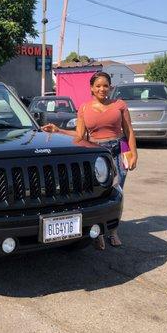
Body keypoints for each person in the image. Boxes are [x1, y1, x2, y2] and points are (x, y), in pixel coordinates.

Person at [42, 71, 137, 249]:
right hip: (96, 155)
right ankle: (98, 232)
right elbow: (79, 135)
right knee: (98, 194)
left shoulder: (119, 105)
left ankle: (114, 231)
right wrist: (58, 130)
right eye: (98, 86)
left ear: (110, 87)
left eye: (105, 85)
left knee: (117, 192)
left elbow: (129, 130)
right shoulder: (84, 108)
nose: (102, 89)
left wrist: (134, 153)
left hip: (117, 152)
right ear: (92, 88)